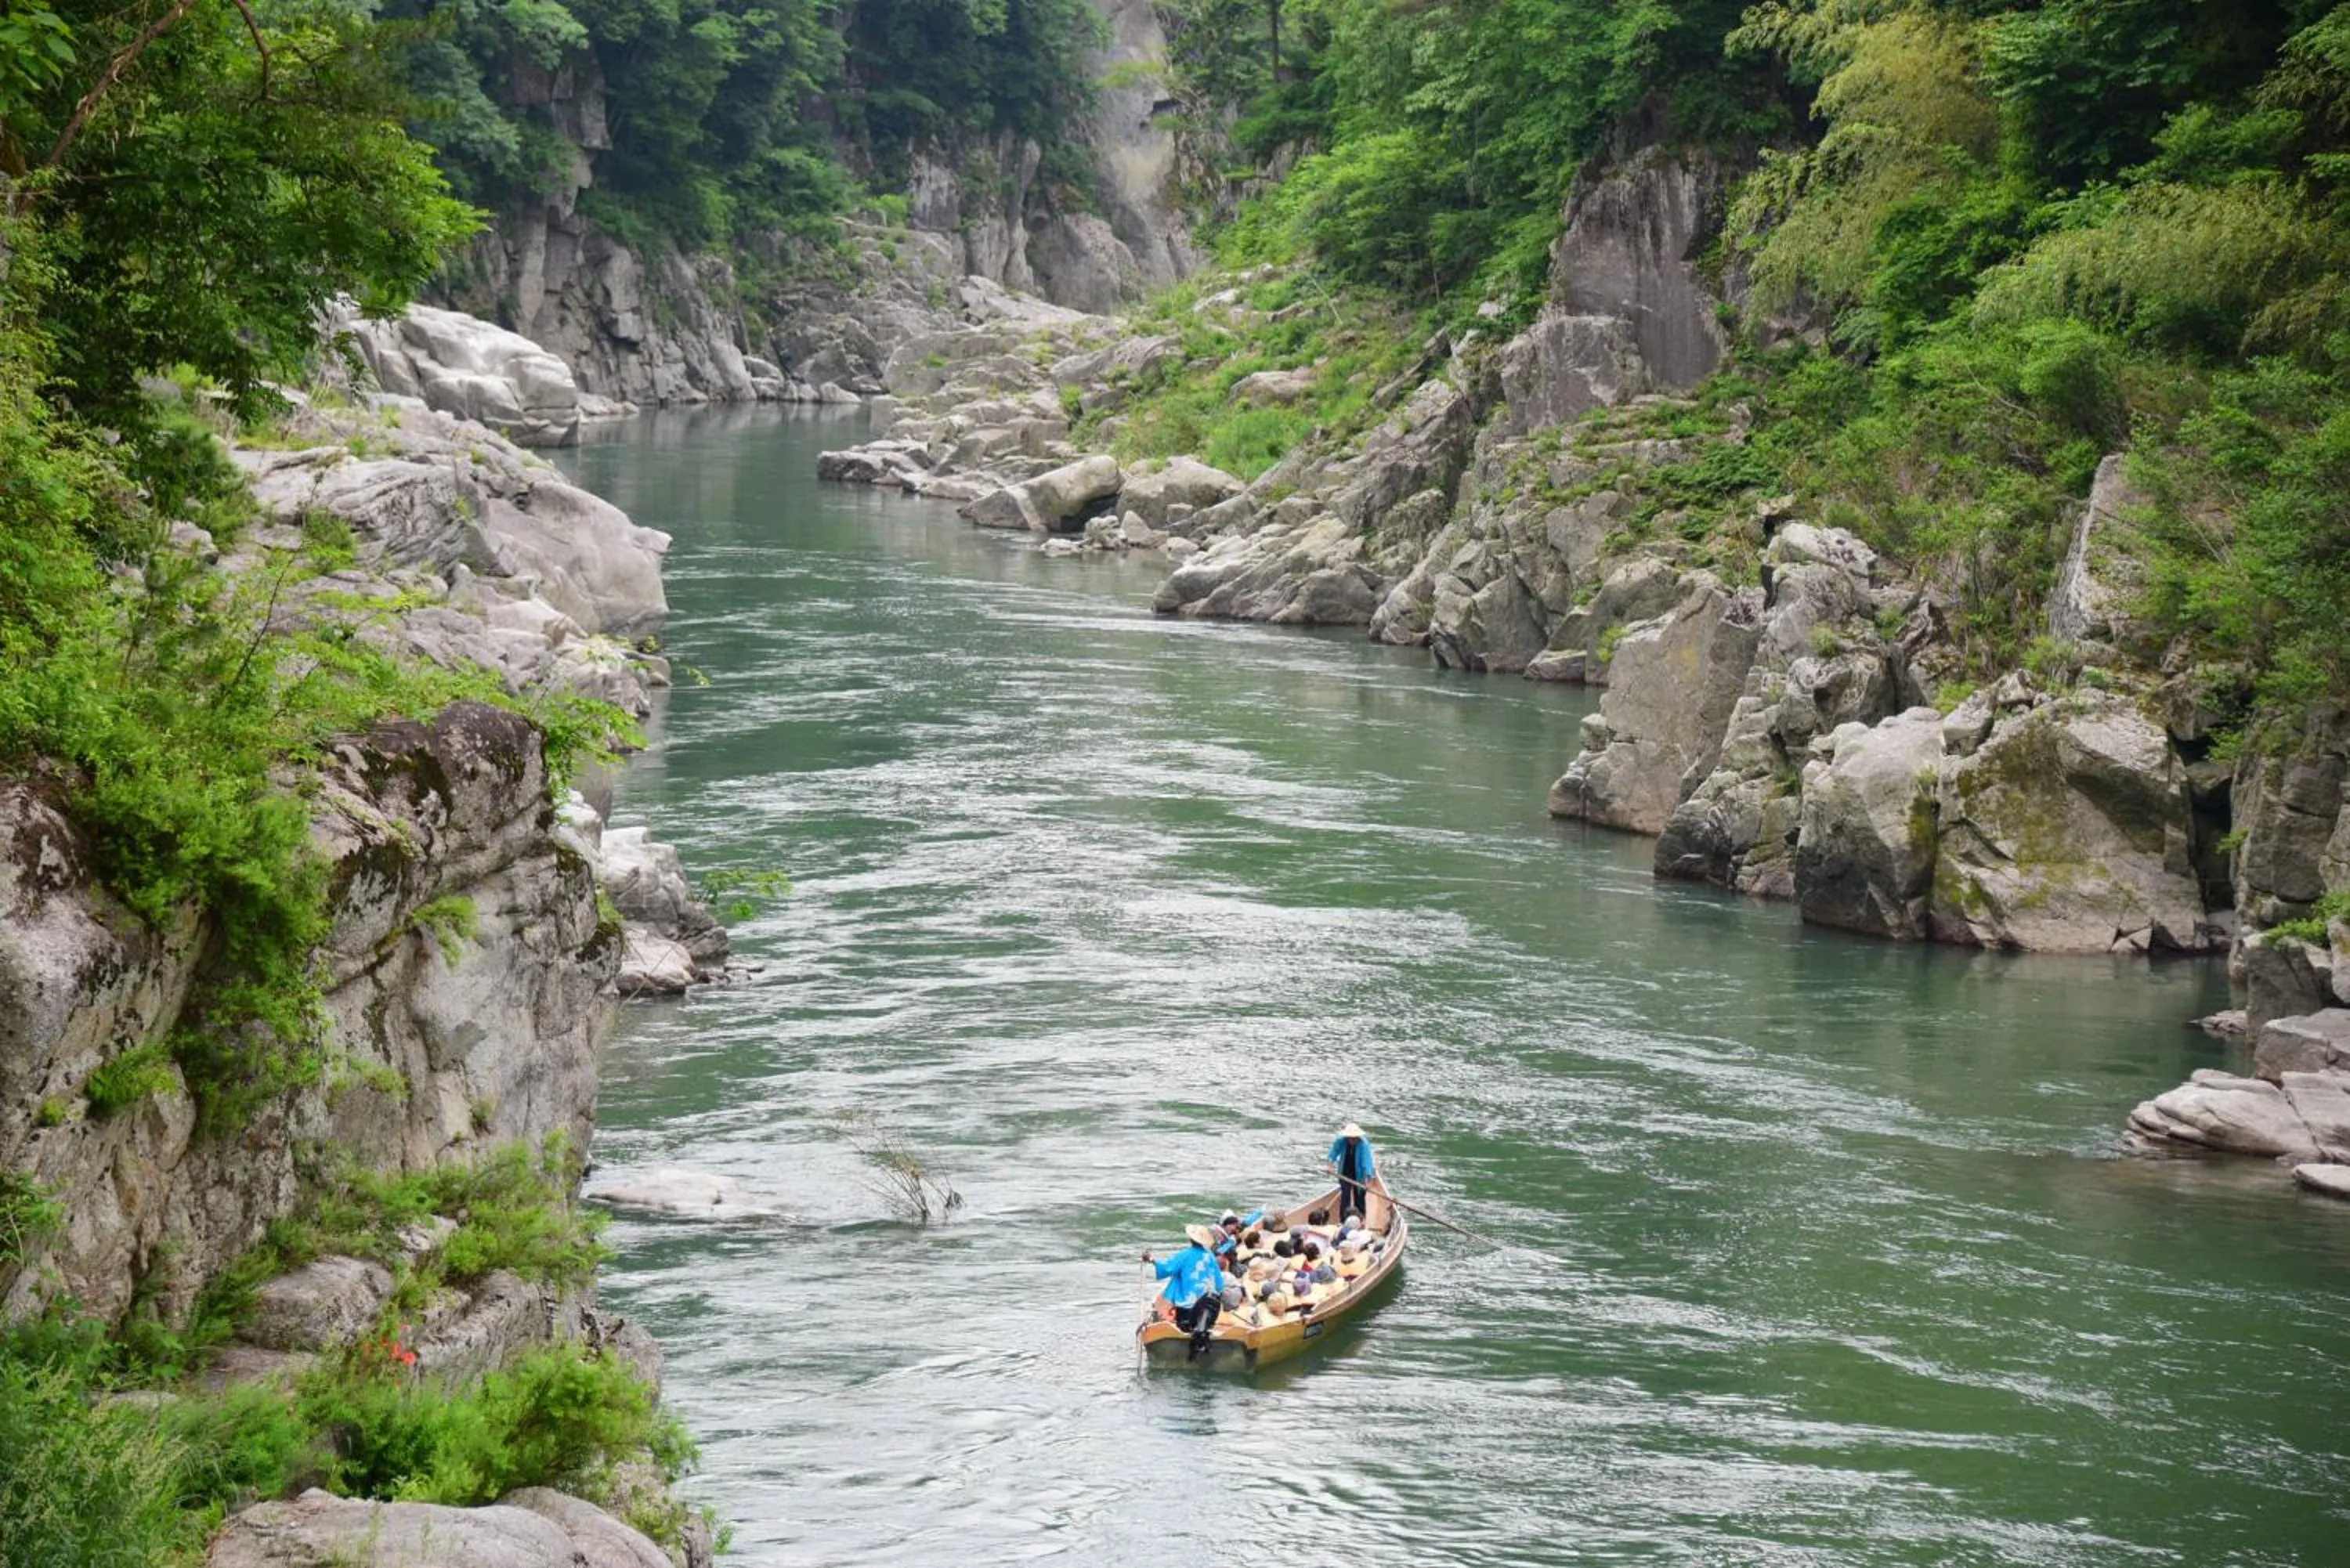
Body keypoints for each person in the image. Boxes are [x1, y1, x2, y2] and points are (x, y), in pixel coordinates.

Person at [1144, 1223, 1227, 1360]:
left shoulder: (1184, 1255)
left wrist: (1152, 1260)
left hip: (1186, 1309)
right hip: (1207, 1307)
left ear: (1191, 1239)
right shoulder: (1210, 1257)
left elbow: (1167, 1268)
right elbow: (1219, 1284)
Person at [1328, 1122, 1377, 1220]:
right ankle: (1343, 1220)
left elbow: (1367, 1162)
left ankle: (1361, 1219)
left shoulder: (1364, 1145)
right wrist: (1330, 1165)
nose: (1352, 1140)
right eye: (1350, 1138)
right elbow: (1334, 1152)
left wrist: (1368, 1180)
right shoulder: (1341, 1140)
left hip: (1359, 1174)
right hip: (1345, 1171)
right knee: (1345, 1195)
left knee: (1359, 1196)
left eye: (1354, 1138)